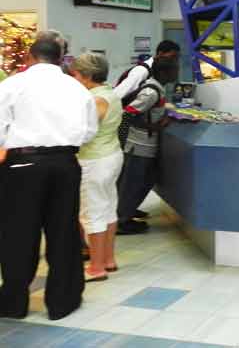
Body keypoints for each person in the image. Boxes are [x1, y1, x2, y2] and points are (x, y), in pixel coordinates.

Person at [0, 36, 98, 320]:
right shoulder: (77, 89)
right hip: (65, 163)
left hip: (23, 163)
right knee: (64, 231)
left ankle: (14, 302)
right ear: (59, 59)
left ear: (29, 57)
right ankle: (62, 301)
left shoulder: (13, 85)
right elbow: (89, 132)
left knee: (18, 232)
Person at [71, 53, 124, 282]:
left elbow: (86, 130)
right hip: (112, 154)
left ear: (86, 76)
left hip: (94, 160)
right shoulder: (110, 92)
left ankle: (96, 267)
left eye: (75, 75)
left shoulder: (95, 100)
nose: (74, 79)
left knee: (92, 214)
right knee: (108, 208)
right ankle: (109, 260)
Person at [116, 57, 178, 235]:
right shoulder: (151, 92)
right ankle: (122, 221)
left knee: (143, 180)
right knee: (132, 183)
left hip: (144, 144)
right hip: (139, 145)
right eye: (174, 69)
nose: (176, 73)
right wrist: (154, 127)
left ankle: (126, 214)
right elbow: (128, 114)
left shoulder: (156, 88)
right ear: (164, 73)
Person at [114, 39, 180, 102]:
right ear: (160, 54)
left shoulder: (159, 71)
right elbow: (116, 96)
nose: (175, 61)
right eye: (173, 57)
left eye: (177, 58)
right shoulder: (142, 71)